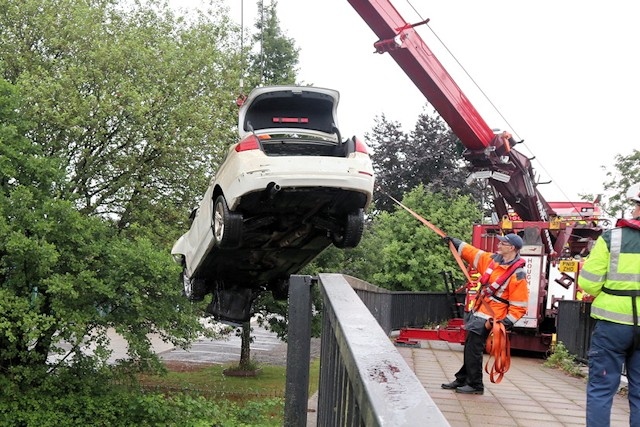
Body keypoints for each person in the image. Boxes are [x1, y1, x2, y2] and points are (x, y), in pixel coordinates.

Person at [579, 183, 640, 427]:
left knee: (601, 389)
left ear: (637, 207)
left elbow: (589, 283)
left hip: (612, 327)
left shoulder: (612, 239)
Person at [440, 233, 529, 394]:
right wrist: (454, 241)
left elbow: (520, 306)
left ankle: (475, 385)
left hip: (491, 317)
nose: (499, 245)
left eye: (503, 243)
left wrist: (502, 323)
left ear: (512, 248)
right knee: (470, 347)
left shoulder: (517, 275)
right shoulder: (493, 261)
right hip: (480, 311)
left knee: (473, 349)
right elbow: (472, 252)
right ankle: (462, 378)